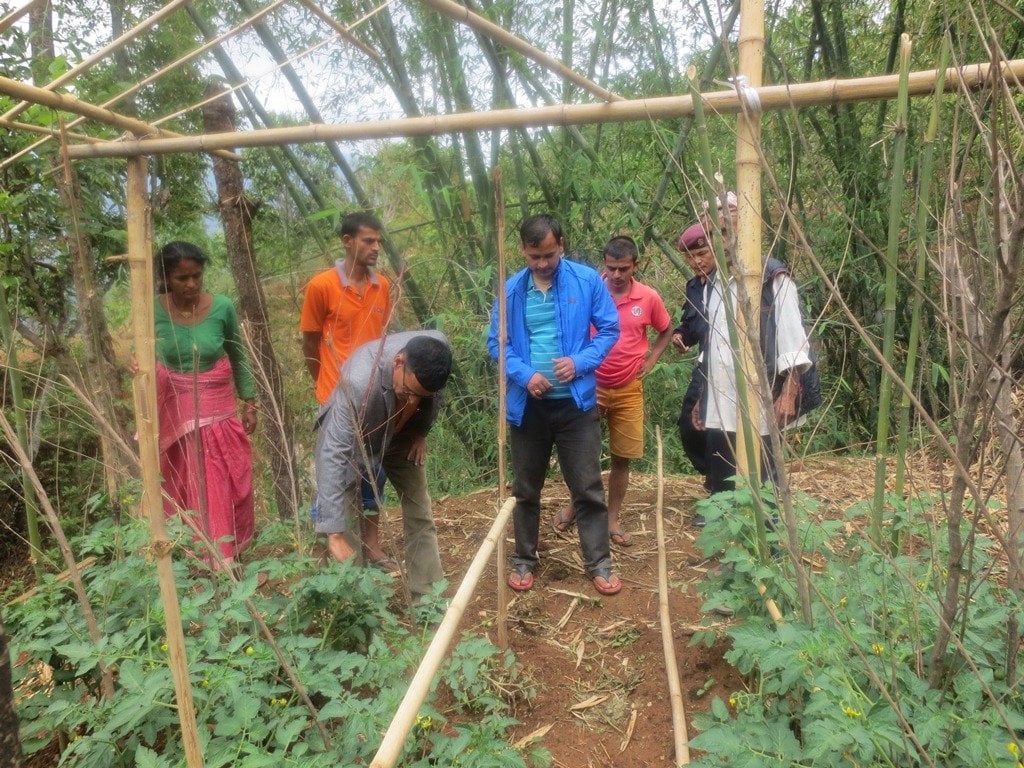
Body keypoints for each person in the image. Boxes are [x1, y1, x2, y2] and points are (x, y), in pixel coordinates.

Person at [487, 213, 623, 596]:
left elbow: (610, 329)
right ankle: (524, 559)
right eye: (535, 257)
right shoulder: (511, 290)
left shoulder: (584, 281)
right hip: (529, 408)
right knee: (526, 489)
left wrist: (580, 362)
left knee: (588, 487)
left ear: (561, 245)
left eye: (549, 254)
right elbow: (498, 343)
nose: (543, 264)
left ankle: (599, 562)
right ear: (523, 252)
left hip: (575, 406)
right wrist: (525, 374)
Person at [676, 193, 814, 497]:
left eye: (726, 231)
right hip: (722, 396)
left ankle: (769, 539)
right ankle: (729, 534)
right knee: (724, 472)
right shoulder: (712, 282)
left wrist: (788, 393)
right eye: (716, 233)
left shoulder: (772, 276)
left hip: (760, 394)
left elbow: (793, 341)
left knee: (763, 476)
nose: (721, 240)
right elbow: (713, 343)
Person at [550, 236, 673, 546]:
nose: (617, 275)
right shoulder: (589, 290)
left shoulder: (648, 298)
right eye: (611, 268)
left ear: (635, 266)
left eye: (623, 269)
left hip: (629, 388)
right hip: (589, 386)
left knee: (622, 457)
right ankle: (576, 505)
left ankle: (613, 517)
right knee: (581, 454)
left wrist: (652, 359)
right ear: (602, 265)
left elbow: (666, 330)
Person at [314, 330, 453, 601]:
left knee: (420, 507)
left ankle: (427, 596)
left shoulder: (438, 351)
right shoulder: (357, 382)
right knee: (344, 515)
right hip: (359, 435)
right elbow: (332, 452)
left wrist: (421, 432)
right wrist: (333, 532)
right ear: (398, 362)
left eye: (419, 396)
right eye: (409, 391)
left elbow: (432, 398)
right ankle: (353, 603)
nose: (412, 400)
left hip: (403, 433)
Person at [153, 241, 257, 568]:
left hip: (219, 411)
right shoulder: (152, 310)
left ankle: (226, 556)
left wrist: (249, 400)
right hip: (176, 414)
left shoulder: (222, 307)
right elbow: (142, 355)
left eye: (196, 276)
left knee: (224, 480)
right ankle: (197, 558)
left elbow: (238, 356)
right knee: (186, 482)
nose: (192, 284)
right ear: (166, 278)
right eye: (182, 278)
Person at [300, 212, 393, 567]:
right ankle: (328, 549)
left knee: (374, 471)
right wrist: (323, 385)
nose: (375, 247)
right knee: (334, 470)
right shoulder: (322, 286)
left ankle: (372, 545)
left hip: (373, 396)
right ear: (347, 241)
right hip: (336, 395)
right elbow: (309, 342)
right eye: (368, 240)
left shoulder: (381, 285)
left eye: (378, 241)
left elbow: (381, 341)